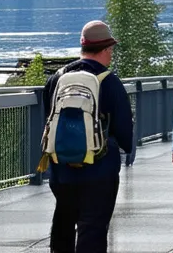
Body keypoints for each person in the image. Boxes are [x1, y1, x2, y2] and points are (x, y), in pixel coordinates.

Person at [44, 20, 134, 253]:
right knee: (92, 229)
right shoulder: (110, 81)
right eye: (111, 50)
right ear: (105, 49)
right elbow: (125, 133)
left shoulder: (57, 78)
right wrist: (125, 149)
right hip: (99, 171)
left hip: (61, 169)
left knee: (63, 224)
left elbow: (49, 118)